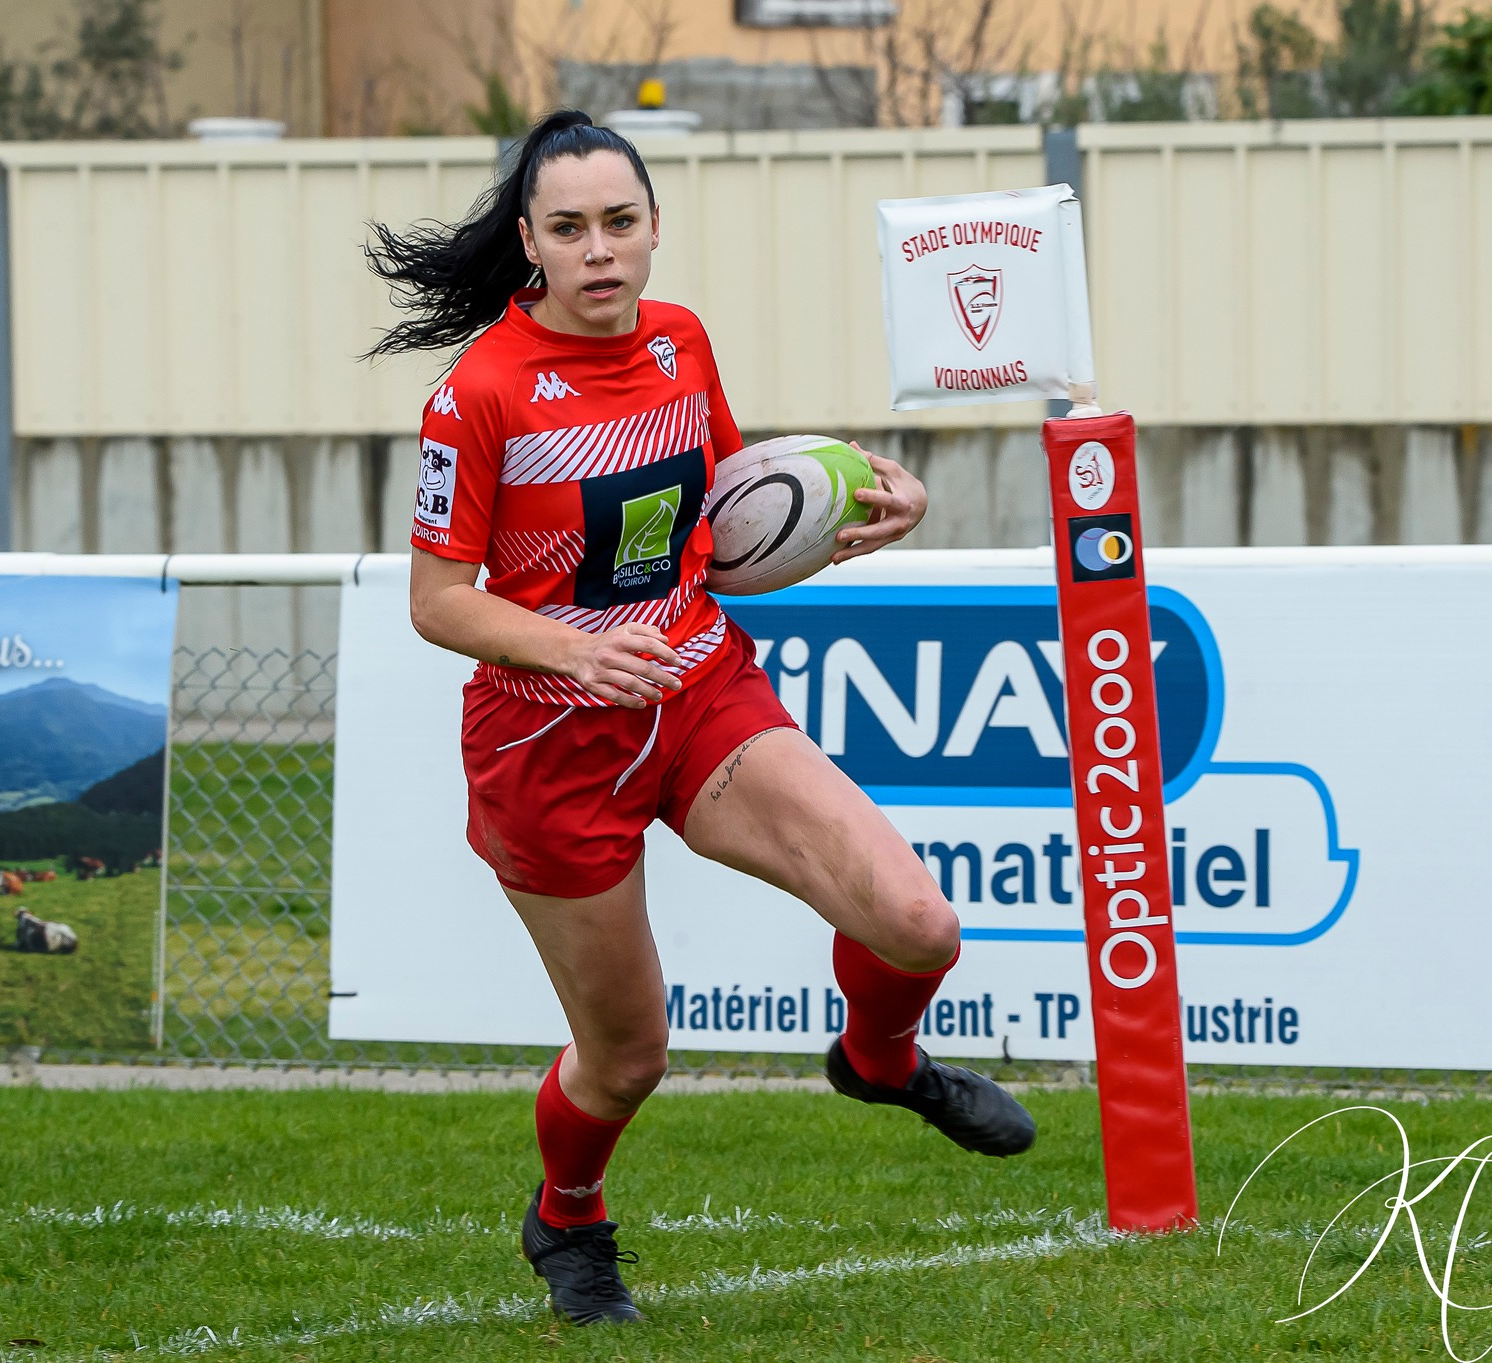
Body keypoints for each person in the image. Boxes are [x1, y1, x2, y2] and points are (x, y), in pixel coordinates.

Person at [366, 109, 1035, 1327]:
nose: (599, 249)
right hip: (543, 745)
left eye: (619, 222)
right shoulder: (476, 396)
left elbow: (720, 534)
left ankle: (879, 1061)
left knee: (918, 923)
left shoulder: (680, 345)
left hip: (693, 692)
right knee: (628, 1057)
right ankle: (566, 1214)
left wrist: (861, 516)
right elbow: (436, 604)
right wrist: (573, 647)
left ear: (654, 228)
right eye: (568, 228)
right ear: (529, 240)